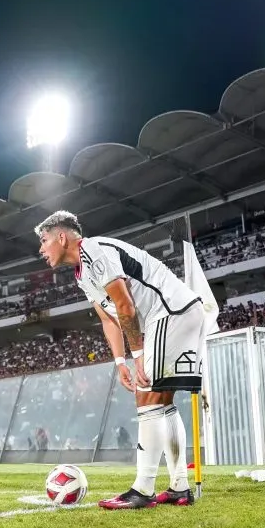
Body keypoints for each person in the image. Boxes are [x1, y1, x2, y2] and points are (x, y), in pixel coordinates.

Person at [35, 210, 216, 509]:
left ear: (62, 237)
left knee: (147, 398)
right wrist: (120, 361)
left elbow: (126, 306)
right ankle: (179, 487)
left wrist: (139, 357)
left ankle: (143, 490)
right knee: (161, 402)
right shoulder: (82, 272)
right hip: (174, 314)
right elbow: (109, 319)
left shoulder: (93, 251)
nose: (41, 249)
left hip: (171, 312)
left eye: (44, 241)